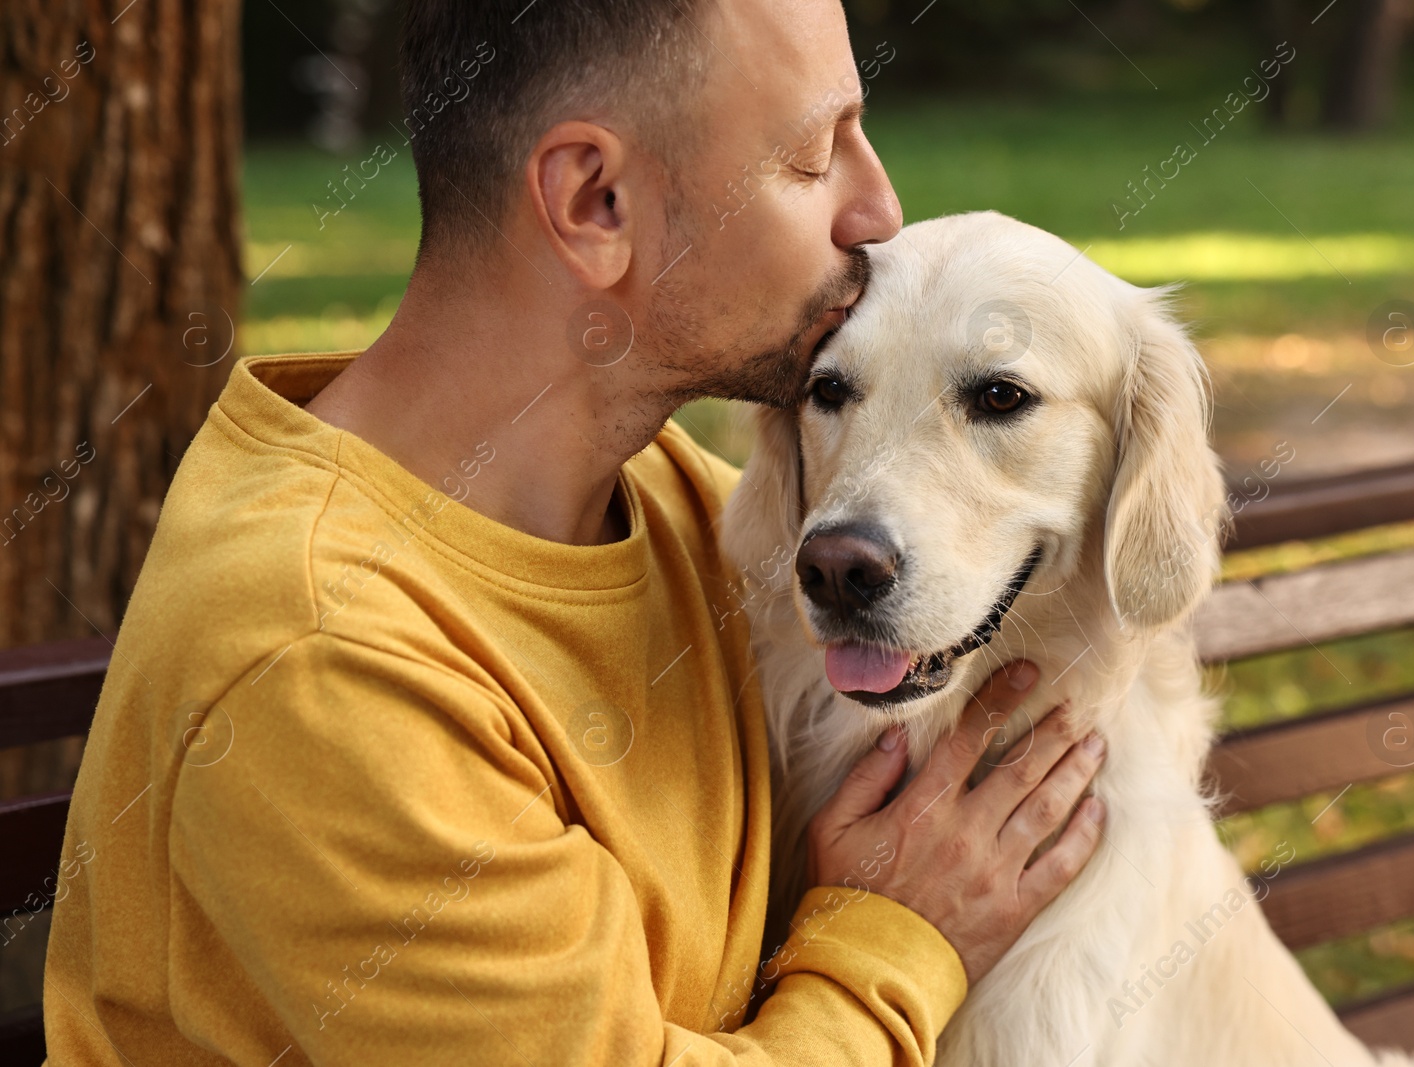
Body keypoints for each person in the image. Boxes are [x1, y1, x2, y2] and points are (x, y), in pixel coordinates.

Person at [41, 0, 1107, 1063]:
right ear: (596, 201)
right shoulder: (320, 658)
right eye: (811, 156)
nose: (877, 210)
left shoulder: (676, 501)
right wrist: (898, 940)